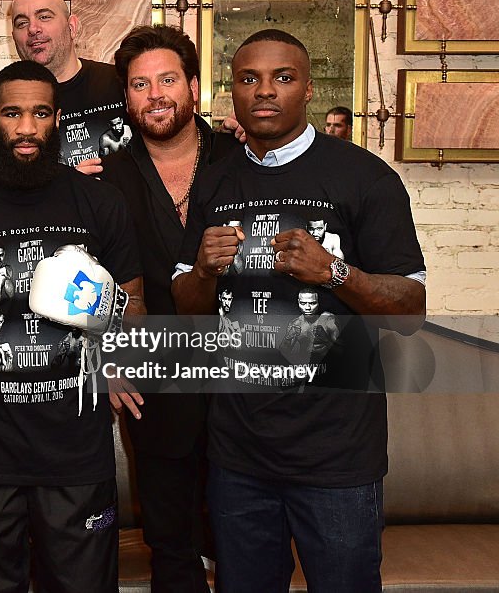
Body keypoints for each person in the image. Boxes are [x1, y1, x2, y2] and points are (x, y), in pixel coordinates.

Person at [171, 29, 426, 592]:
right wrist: (206, 272)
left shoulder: (363, 176)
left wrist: (334, 273)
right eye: (248, 79)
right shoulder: (214, 181)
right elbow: (187, 306)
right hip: (238, 453)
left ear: (308, 88)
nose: (265, 92)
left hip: (336, 453)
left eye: (282, 78)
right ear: (229, 91)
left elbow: (410, 309)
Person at [0, 60, 144, 593]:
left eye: (40, 113)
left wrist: (113, 341)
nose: (26, 128)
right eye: (13, 113)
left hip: (77, 454)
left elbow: (132, 300)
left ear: (58, 119)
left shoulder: (99, 203)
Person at [98, 24, 237, 593]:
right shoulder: (106, 178)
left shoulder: (242, 158)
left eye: (167, 80)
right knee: (171, 536)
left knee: (244, 525)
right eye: (139, 84)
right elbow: (92, 279)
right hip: (153, 370)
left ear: (194, 88)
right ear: (126, 98)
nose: (155, 94)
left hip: (243, 371)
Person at [10, 0, 127, 168]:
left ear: (72, 27)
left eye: (44, 17)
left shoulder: (120, 83)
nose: (33, 29)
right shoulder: (0, 103)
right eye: (22, 23)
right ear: (14, 37)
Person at [281, 288, 340, 366]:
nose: (307, 308)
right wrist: (288, 337)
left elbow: (342, 351)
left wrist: (326, 340)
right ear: (298, 302)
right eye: (303, 303)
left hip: (328, 367)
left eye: (312, 303)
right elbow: (284, 351)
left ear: (318, 302)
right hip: (304, 368)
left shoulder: (328, 320)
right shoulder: (296, 323)